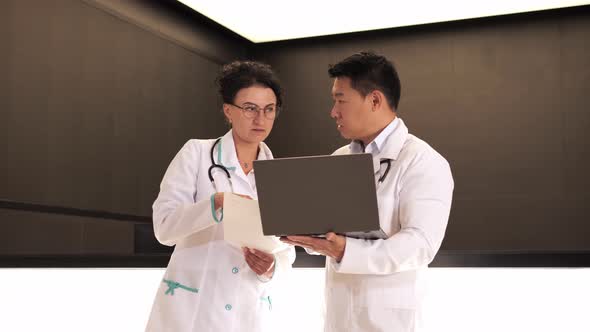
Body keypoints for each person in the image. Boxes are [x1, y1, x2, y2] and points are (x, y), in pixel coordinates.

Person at [282, 52, 454, 331]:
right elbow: (332, 233)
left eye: (340, 100)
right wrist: (311, 238)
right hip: (339, 315)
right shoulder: (338, 157)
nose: (333, 112)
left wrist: (346, 250)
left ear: (374, 100)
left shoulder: (422, 160)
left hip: (388, 319)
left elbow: (420, 244)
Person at [146, 60, 295, 332]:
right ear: (228, 110)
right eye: (250, 108)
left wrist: (271, 268)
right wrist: (216, 205)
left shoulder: (279, 175)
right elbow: (164, 228)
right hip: (191, 311)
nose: (260, 118)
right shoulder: (196, 154)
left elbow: (287, 251)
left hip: (248, 313)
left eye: (269, 109)